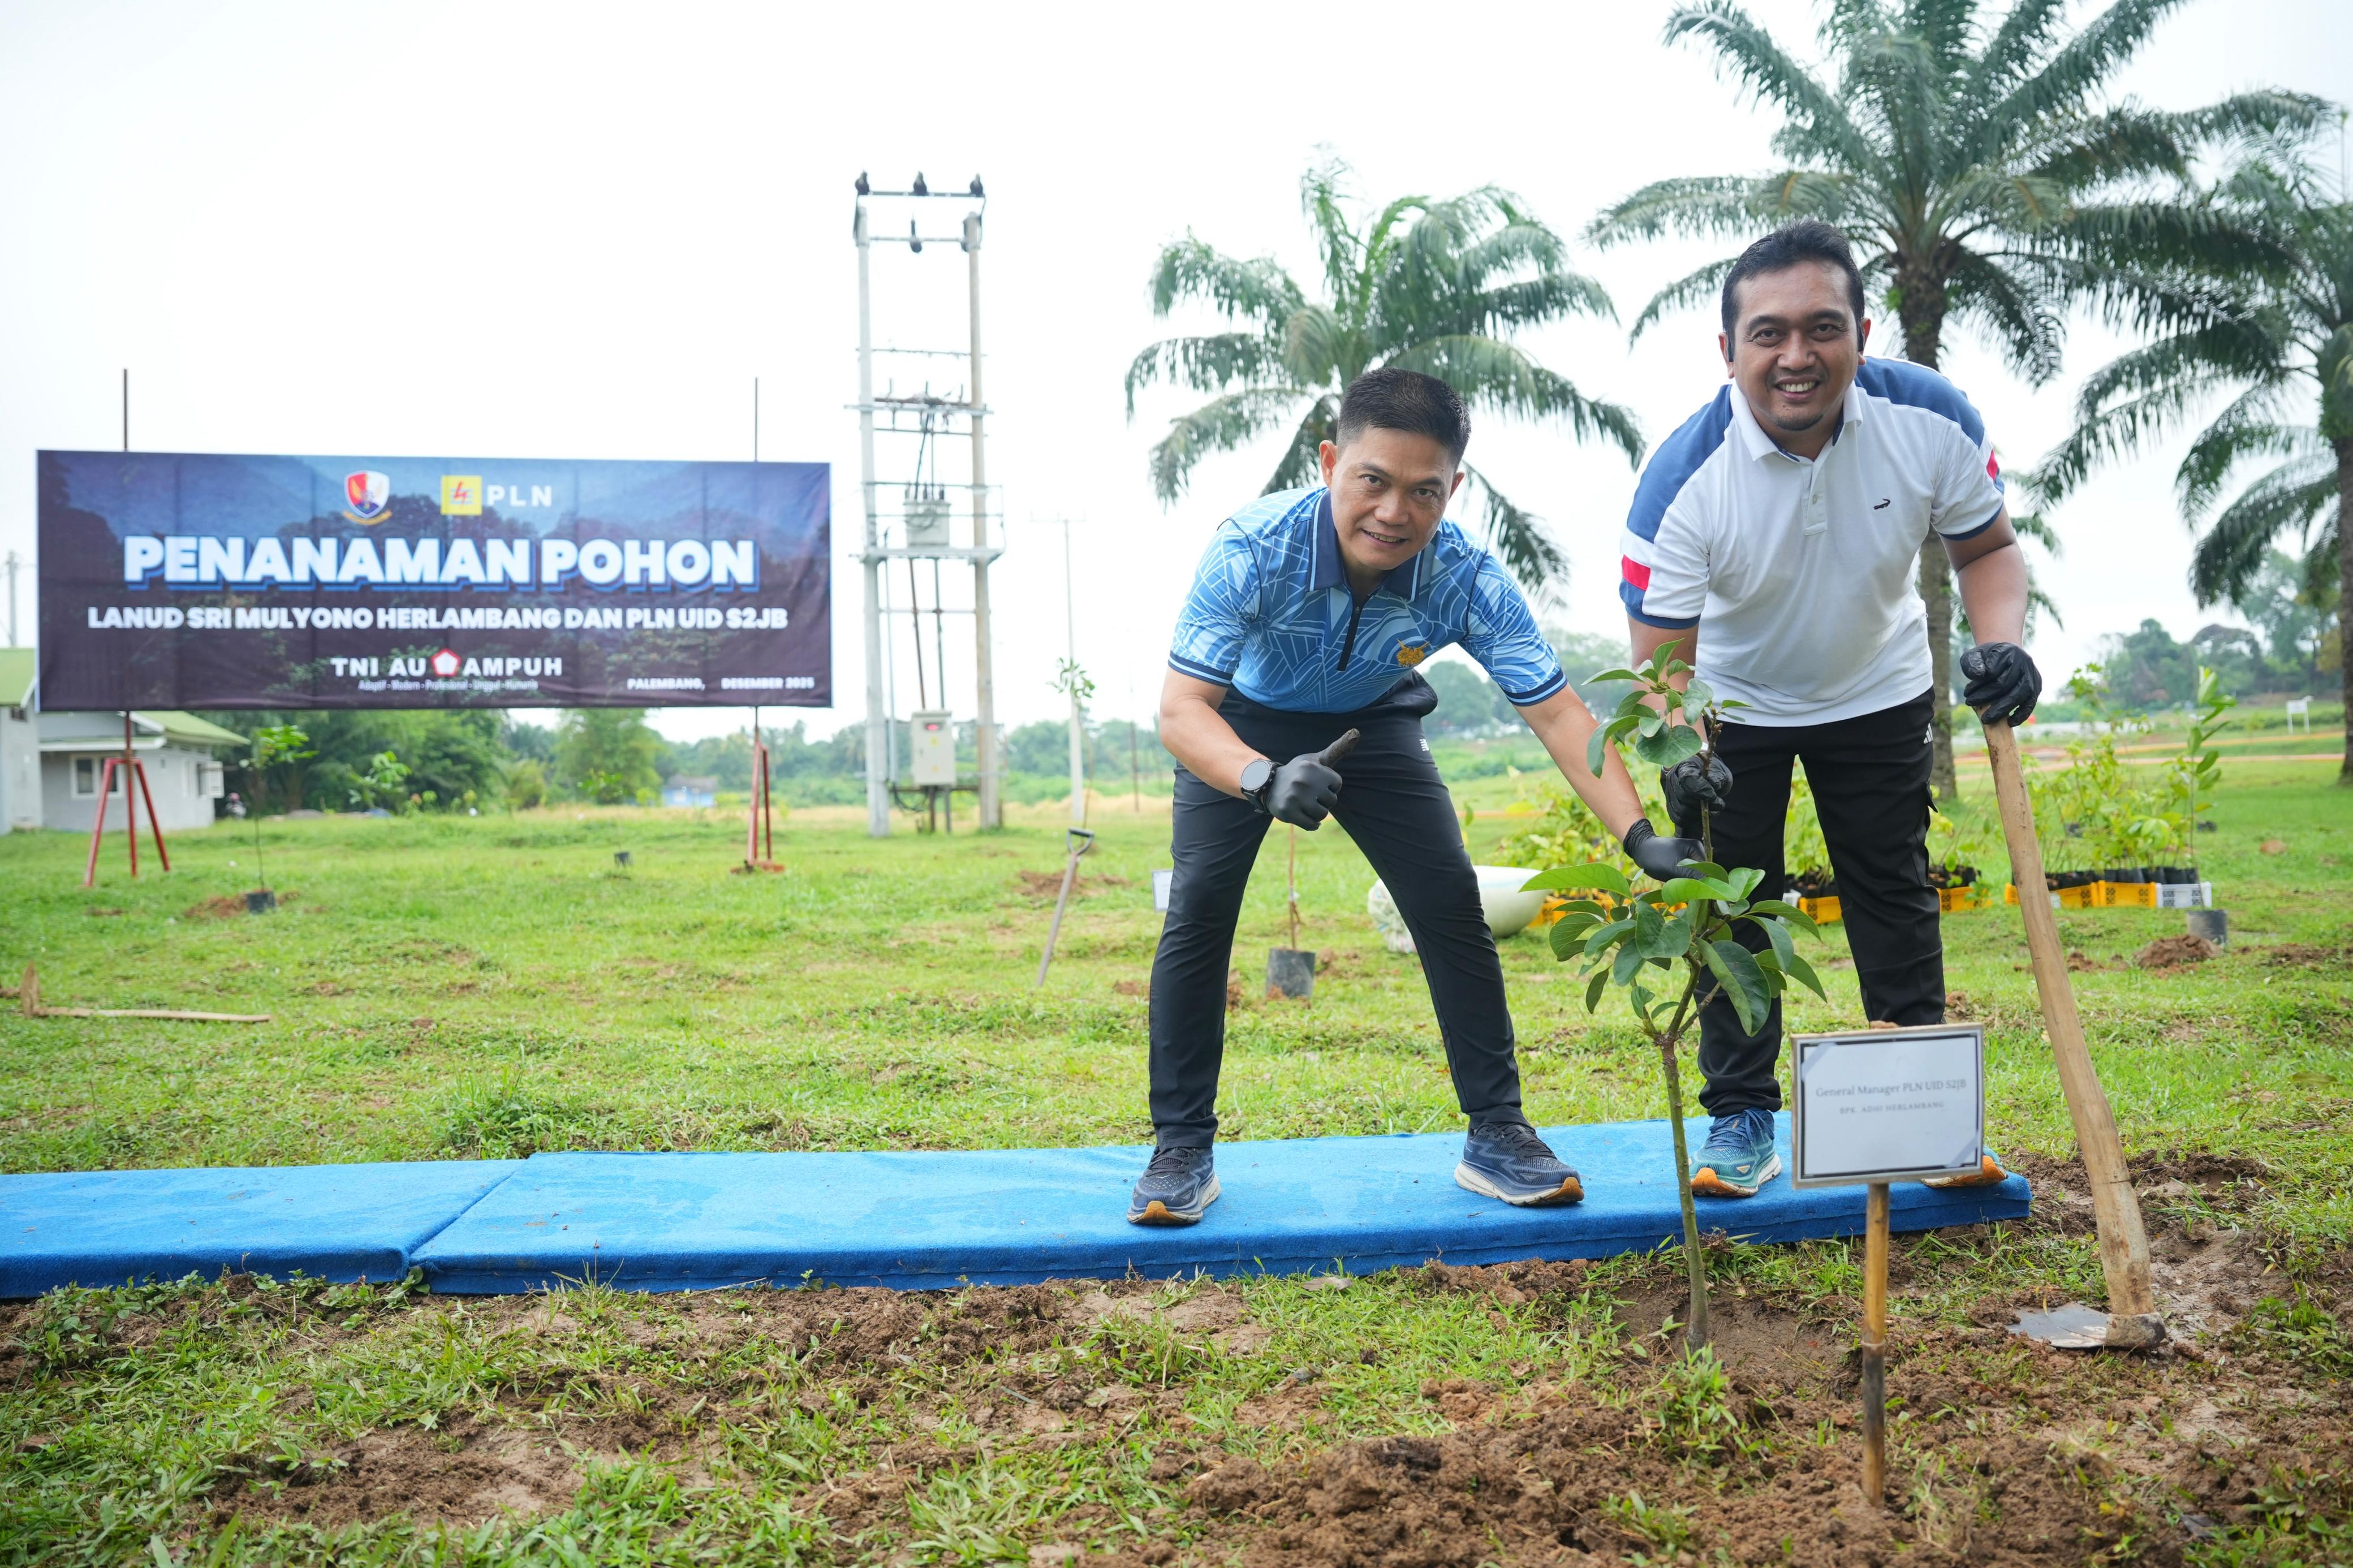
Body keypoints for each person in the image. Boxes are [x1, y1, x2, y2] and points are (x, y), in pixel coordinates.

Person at [1132, 366, 1697, 1226]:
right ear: (1330, 462)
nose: (1394, 512)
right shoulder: (1254, 547)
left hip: (1376, 725)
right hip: (1239, 721)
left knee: (1448, 903)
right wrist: (1260, 776)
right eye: (1374, 481)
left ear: (1453, 489)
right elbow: (1180, 710)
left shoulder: (1464, 574)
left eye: (1424, 491)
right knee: (1200, 909)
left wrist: (1641, 834)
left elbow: (1555, 710)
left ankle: (1499, 1132)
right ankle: (1181, 1148)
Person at [1618, 219, 2040, 1198]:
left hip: (1878, 687)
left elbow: (1986, 552)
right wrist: (1682, 750)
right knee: (1736, 906)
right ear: (1728, 351)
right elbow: (1659, 665)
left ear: (1862, 330)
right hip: (1734, 706)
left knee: (1890, 888)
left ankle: (1927, 1110)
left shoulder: (1932, 418)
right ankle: (1740, 1120)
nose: (1796, 357)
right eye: (1767, 334)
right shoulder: (1682, 481)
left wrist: (2006, 643)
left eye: (1823, 327)